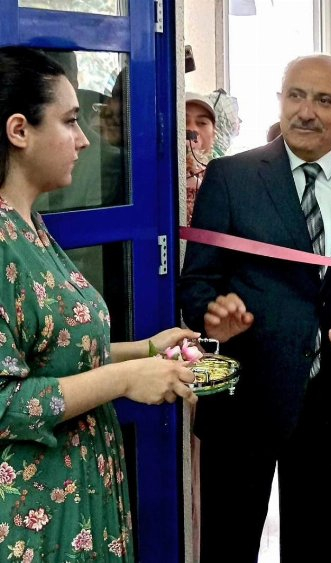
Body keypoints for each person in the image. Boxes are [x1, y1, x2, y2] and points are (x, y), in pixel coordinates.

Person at [178, 54, 331, 562]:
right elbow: (197, 283)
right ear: (280, 100)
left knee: (315, 548)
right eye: (295, 96)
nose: (306, 111)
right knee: (227, 548)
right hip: (240, 395)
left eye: (324, 100)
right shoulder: (231, 177)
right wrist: (213, 316)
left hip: (330, 402)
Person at [0, 46, 198, 560]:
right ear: (19, 130)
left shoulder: (29, 223)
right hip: (33, 509)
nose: (85, 138)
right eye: (69, 121)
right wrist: (125, 380)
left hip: (77, 485)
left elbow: (52, 354)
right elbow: (5, 401)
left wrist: (145, 350)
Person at [185, 92, 217, 226]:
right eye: (183, 120)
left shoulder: (222, 176)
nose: (191, 129)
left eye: (202, 123)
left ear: (214, 134)